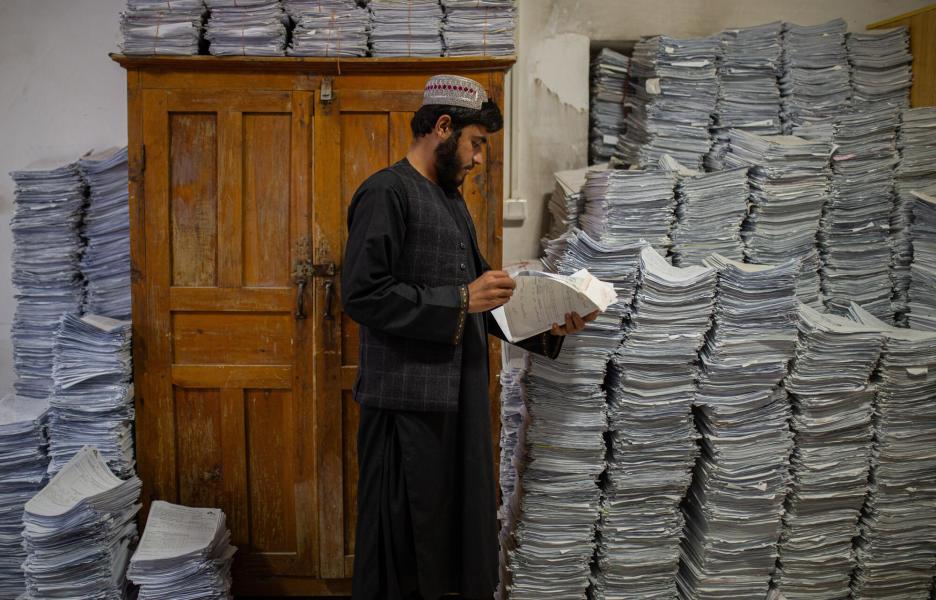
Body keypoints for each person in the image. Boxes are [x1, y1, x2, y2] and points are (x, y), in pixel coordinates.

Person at [341, 74, 597, 600]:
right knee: (403, 549)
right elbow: (363, 294)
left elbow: (486, 301)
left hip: (458, 403)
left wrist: (552, 323)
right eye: (476, 144)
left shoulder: (451, 200)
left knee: (454, 543)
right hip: (405, 410)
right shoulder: (386, 192)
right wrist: (458, 300)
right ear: (442, 127)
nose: (480, 159)